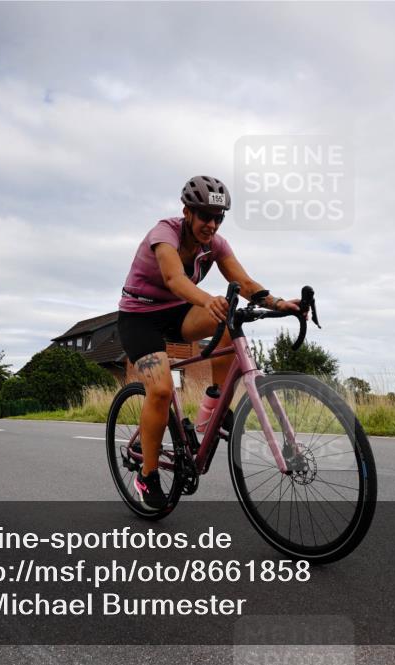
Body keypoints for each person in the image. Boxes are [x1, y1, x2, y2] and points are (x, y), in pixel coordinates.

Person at [117, 175, 301, 510]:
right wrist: (206, 300)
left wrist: (278, 303)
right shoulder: (164, 234)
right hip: (139, 317)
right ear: (187, 212)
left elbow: (244, 282)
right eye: (205, 216)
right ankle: (147, 475)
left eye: (219, 218)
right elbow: (173, 278)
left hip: (178, 313)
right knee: (160, 390)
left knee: (230, 317)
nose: (212, 225)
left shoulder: (216, 244)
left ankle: (214, 405)